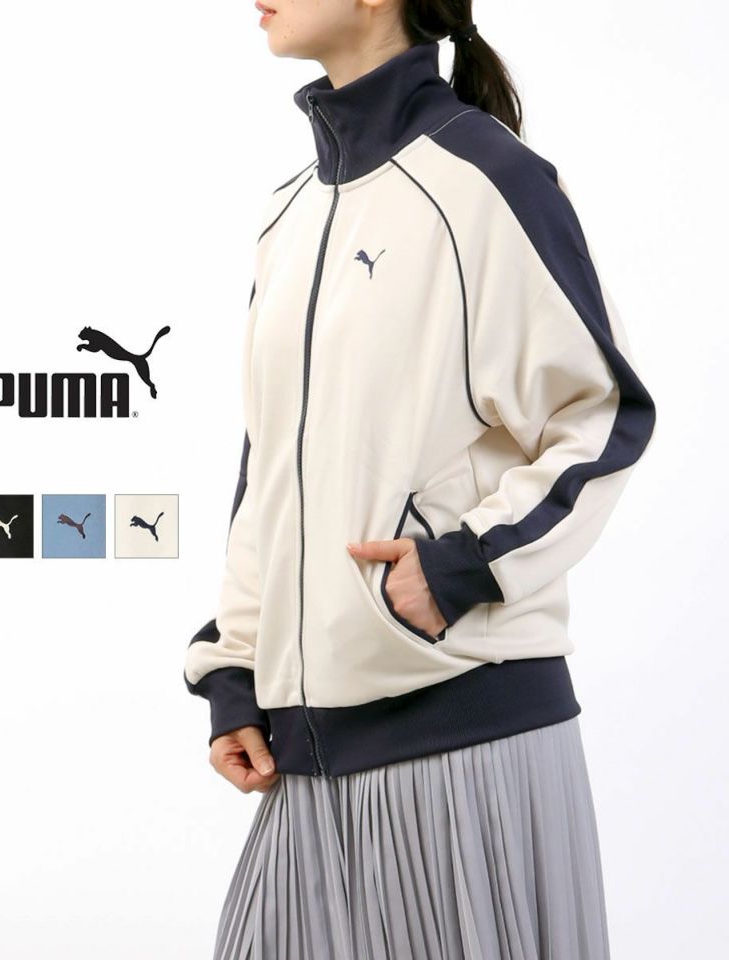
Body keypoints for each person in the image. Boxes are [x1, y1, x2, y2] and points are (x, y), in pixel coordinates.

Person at [184, 2, 657, 957]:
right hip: (306, 762)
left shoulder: (485, 179)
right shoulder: (288, 215)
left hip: (461, 736)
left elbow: (603, 414)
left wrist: (459, 567)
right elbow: (271, 468)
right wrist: (236, 667)